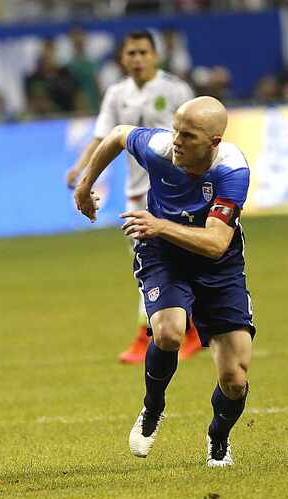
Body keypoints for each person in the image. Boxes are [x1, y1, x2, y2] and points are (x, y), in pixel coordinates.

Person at [74, 96, 255, 467]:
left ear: (213, 142)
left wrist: (159, 225)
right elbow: (117, 136)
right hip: (163, 254)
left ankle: (218, 438)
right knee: (169, 332)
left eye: (187, 135)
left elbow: (216, 242)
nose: (176, 140)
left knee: (235, 380)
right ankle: (153, 407)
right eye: (175, 129)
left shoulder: (231, 171)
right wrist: (84, 184)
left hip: (217, 265)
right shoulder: (158, 147)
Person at [66, 30, 198, 364]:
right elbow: (103, 136)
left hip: (174, 192)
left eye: (142, 52)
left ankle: (155, 334)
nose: (137, 59)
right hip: (137, 195)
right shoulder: (116, 94)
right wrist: (81, 168)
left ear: (155, 55)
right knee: (146, 263)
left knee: (174, 260)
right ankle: (179, 330)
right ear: (122, 58)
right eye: (131, 53)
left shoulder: (175, 90)